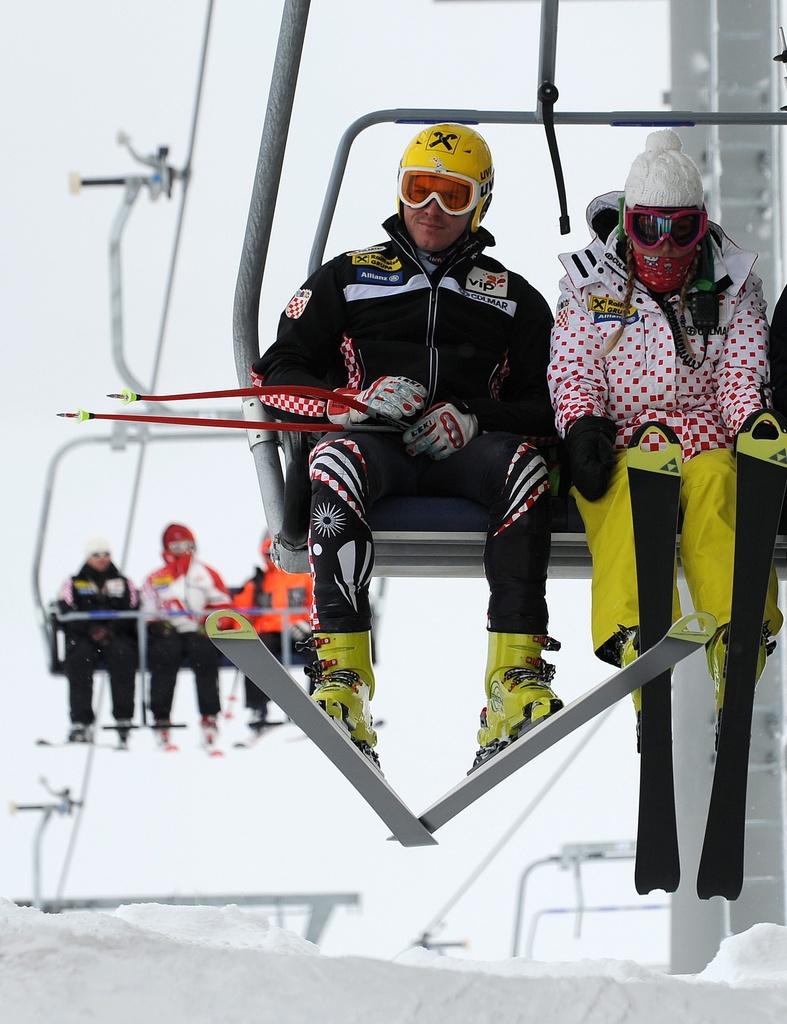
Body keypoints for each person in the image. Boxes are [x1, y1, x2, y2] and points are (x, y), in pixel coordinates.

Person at [252, 123, 561, 770]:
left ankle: (514, 675)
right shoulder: (350, 276)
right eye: (418, 189)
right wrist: (347, 404)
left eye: (451, 195)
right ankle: (342, 672)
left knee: (526, 467)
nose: (431, 208)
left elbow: (551, 404)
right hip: (374, 445)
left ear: (480, 202)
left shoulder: (511, 298)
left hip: (464, 452)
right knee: (331, 459)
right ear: (398, 191)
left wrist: (473, 415)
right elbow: (278, 371)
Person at [548, 128, 782, 740]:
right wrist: (583, 429)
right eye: (649, 227)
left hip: (705, 438)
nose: (663, 245)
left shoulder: (732, 285)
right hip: (627, 440)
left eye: (681, 230)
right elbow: (573, 368)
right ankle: (640, 633)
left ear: (700, 228)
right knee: (618, 497)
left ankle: (738, 629)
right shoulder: (590, 287)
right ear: (628, 222)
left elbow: (740, 372)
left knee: (715, 489)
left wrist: (749, 425)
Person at [141, 523, 231, 749]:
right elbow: (147, 607)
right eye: (175, 545)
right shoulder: (156, 577)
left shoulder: (205, 574)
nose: (181, 549)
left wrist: (213, 623)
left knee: (205, 655)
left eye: (185, 544)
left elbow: (224, 603)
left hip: (197, 630)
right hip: (168, 632)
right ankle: (161, 717)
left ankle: (209, 716)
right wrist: (155, 625)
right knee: (164, 655)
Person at [57, 538, 138, 746]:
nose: (102, 559)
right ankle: (81, 722)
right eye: (97, 555)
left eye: (106, 554)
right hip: (85, 636)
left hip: (116, 635)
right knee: (79, 659)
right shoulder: (74, 582)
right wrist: (91, 629)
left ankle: (123, 718)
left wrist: (111, 630)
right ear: (88, 557)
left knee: (123, 656)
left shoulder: (123, 582)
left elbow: (133, 609)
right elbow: (65, 610)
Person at [233, 535, 314, 733]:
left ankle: (318, 700)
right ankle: (257, 706)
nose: (273, 560)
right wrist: (239, 630)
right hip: (269, 630)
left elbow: (315, 602)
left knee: (315, 649)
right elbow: (241, 612)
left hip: (295, 628)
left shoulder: (302, 576)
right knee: (257, 654)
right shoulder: (259, 581)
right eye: (269, 556)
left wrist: (309, 623)